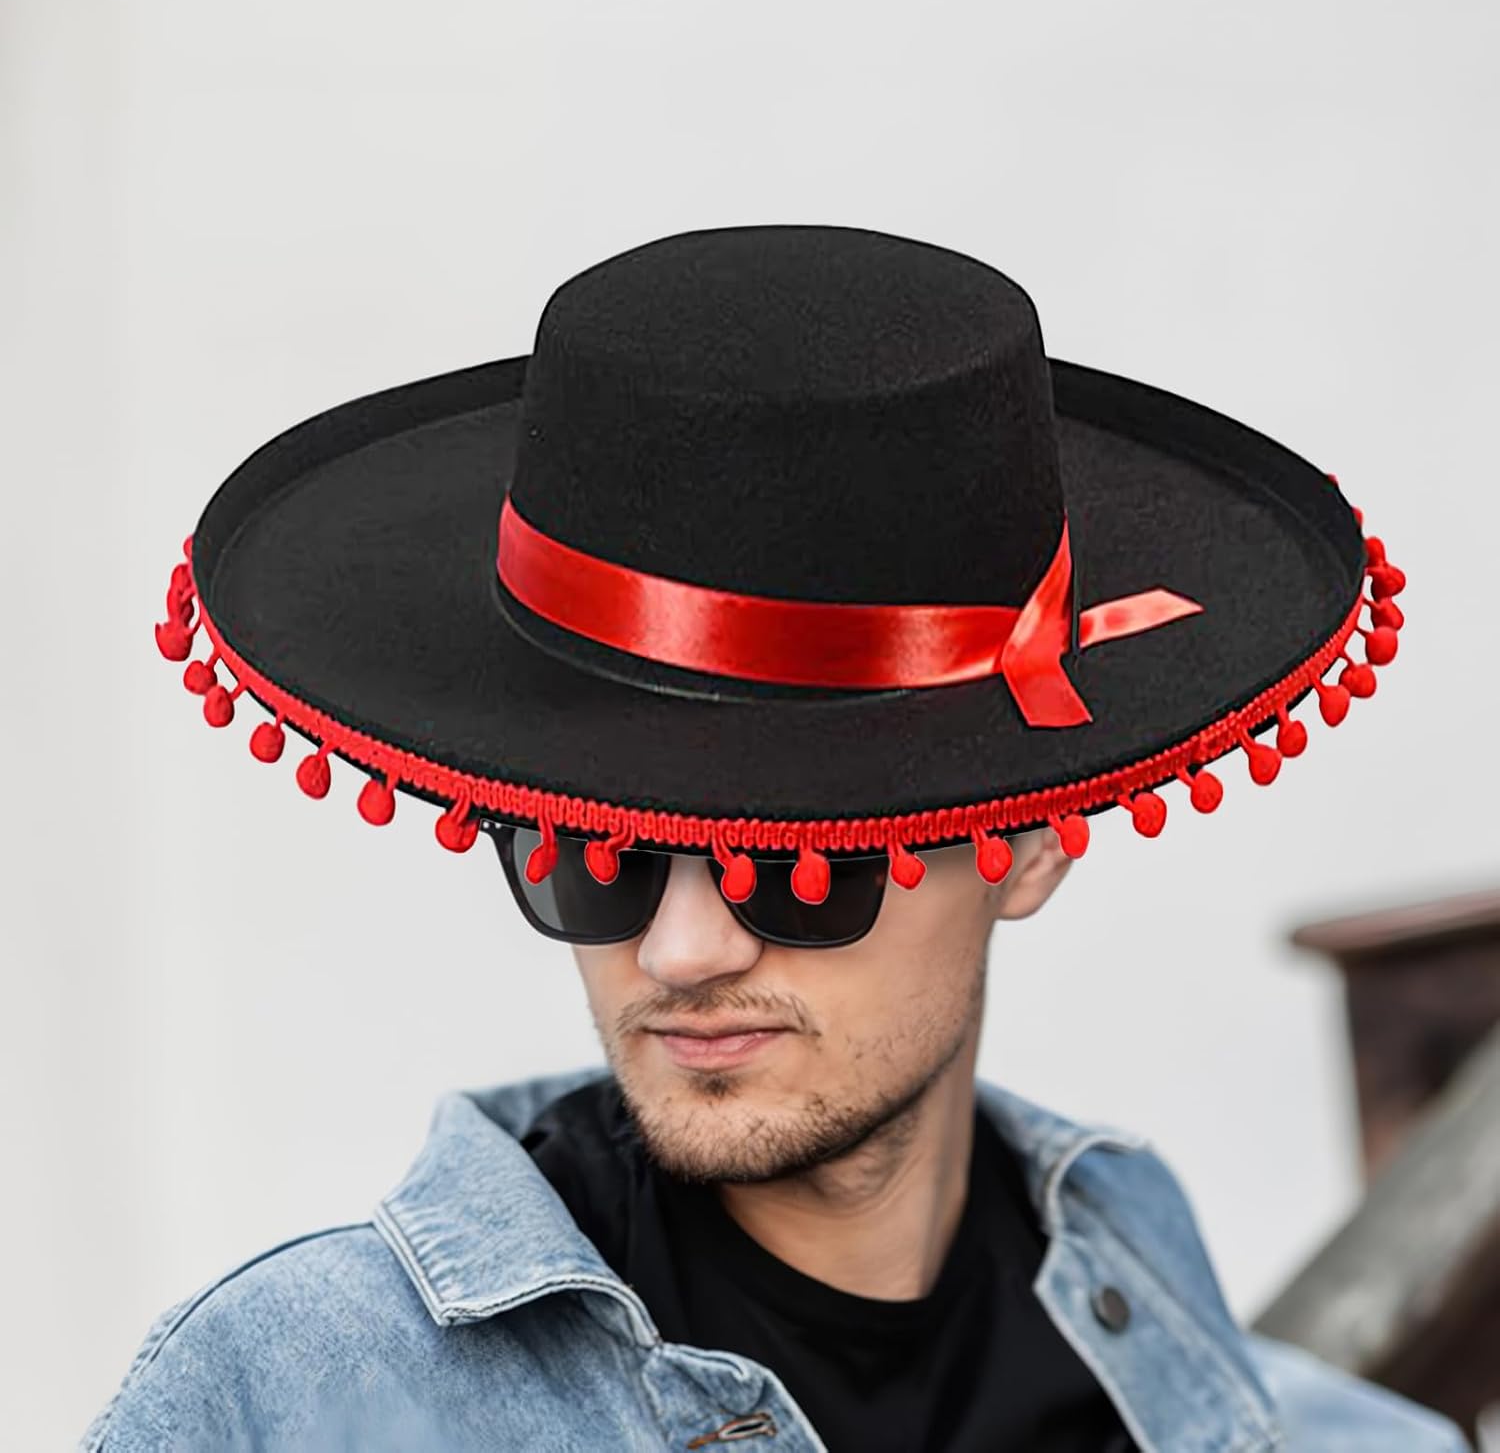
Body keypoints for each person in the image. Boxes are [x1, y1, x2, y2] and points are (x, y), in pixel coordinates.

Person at [86, 224, 1465, 1451]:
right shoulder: (276, 1408)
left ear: (1037, 839)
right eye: (598, 855)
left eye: (799, 865)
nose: (681, 951)